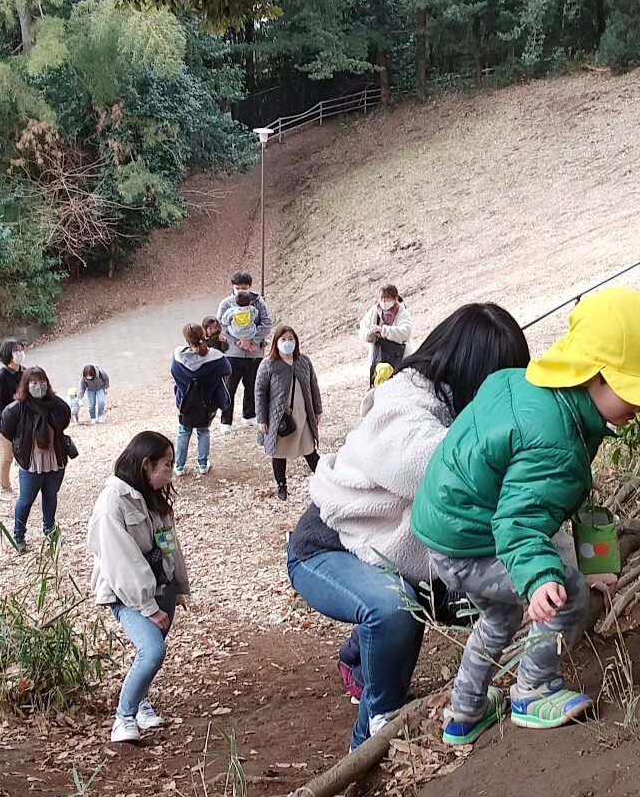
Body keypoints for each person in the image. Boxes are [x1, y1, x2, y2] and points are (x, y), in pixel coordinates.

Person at [410, 287, 640, 744]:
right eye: (632, 390)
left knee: (498, 619)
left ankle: (464, 712)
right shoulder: (553, 438)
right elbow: (518, 520)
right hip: (473, 541)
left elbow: (566, 497)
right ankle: (532, 691)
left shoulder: (535, 390)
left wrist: (597, 561)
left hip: (447, 531)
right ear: (592, 377)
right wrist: (539, 578)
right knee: (565, 591)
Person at [287, 303, 532, 748]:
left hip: (387, 547)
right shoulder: (402, 405)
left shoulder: (463, 410)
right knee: (394, 609)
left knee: (445, 602)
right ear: (472, 372)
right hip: (329, 544)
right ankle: (371, 736)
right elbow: (435, 467)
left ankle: (359, 661)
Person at [88, 431, 192, 744]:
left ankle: (142, 705)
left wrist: (181, 585)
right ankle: (124, 717)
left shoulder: (153, 496)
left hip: (164, 587)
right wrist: (148, 605)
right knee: (152, 650)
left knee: (151, 652)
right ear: (146, 465)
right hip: (128, 596)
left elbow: (170, 544)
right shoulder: (113, 502)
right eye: (167, 464)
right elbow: (121, 561)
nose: (171, 471)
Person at [0, 365, 74, 552]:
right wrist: (20, 448)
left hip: (54, 459)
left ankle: (49, 528)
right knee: (25, 500)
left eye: (41, 381)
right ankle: (19, 535)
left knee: (50, 495)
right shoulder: (17, 409)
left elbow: (64, 420)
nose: (38, 385)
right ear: (26, 384)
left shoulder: (56, 405)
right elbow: (7, 429)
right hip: (31, 462)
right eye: (33, 382)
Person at [255, 326, 323, 500]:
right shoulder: (268, 364)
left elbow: (313, 386)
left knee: (310, 449)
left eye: (290, 339)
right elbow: (260, 392)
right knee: (279, 452)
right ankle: (281, 485)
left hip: (303, 414)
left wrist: (317, 409)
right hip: (280, 417)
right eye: (283, 339)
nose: (287, 343)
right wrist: (262, 418)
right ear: (276, 343)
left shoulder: (304, 361)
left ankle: (325, 479)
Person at [171, 323, 231, 475]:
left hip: (185, 403)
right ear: (203, 336)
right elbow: (228, 371)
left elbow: (174, 375)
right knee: (203, 431)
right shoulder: (216, 357)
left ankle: (178, 466)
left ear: (187, 340)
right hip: (209, 402)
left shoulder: (178, 356)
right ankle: (203, 465)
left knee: (184, 431)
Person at [217, 272, 273, 429]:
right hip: (232, 353)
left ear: (250, 287)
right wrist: (238, 341)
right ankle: (225, 421)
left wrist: (252, 340)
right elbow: (220, 327)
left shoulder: (258, 302)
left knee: (252, 385)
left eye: (244, 288)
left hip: (254, 352)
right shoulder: (226, 303)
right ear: (232, 287)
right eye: (238, 288)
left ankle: (249, 415)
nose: (241, 291)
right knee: (229, 387)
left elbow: (267, 323)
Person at [0, 338, 27, 495]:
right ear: (7, 354)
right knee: (6, 457)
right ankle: (5, 488)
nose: (20, 353)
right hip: (3, 425)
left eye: (21, 349)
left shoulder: (24, 372)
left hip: (21, 423)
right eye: (15, 350)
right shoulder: (1, 377)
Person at [358, 284, 413, 387]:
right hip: (377, 356)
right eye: (382, 298)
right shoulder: (374, 311)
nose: (384, 302)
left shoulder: (402, 313)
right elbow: (362, 328)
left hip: (398, 357)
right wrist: (368, 335)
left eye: (387, 298)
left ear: (395, 298)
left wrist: (383, 330)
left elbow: (405, 332)